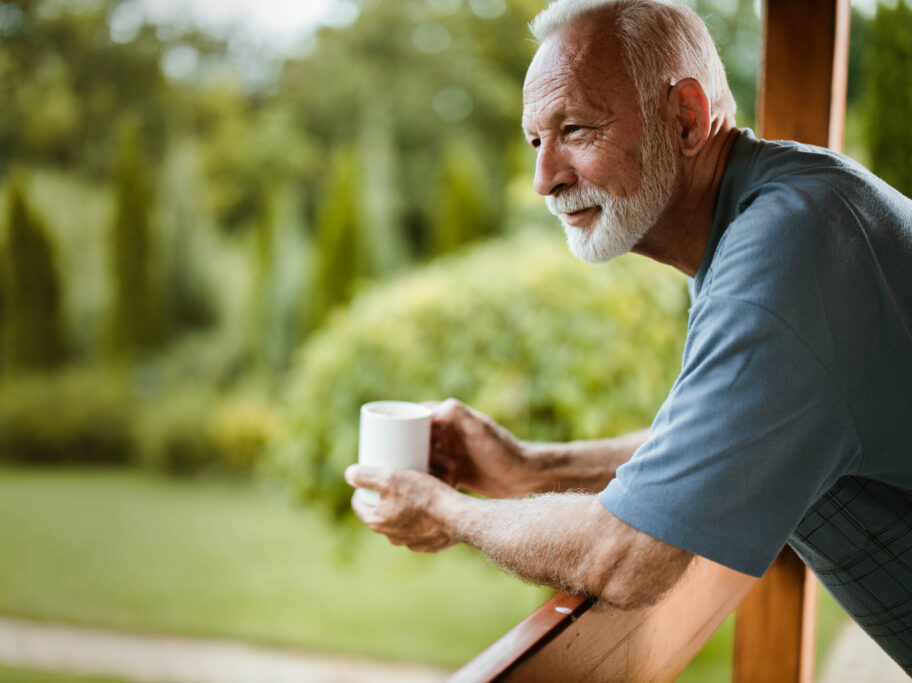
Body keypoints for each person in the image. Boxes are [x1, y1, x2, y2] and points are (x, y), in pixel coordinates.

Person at [344, 0, 912, 671]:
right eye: (536, 140)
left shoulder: (788, 256)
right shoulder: (785, 211)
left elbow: (628, 555)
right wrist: (532, 467)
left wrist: (445, 512)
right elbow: (724, 443)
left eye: (575, 128)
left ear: (687, 118)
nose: (544, 178)